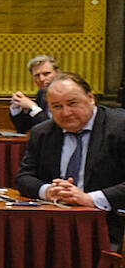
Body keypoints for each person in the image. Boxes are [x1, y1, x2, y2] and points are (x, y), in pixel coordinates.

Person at [16, 72, 125, 244]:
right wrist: (48, 191)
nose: (66, 113)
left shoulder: (120, 127)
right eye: (57, 107)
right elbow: (24, 178)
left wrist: (90, 199)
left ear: (90, 98)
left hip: (109, 228)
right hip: (52, 227)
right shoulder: (43, 132)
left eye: (72, 103)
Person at [9, 54, 57, 130]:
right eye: (37, 75)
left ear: (57, 73)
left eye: (46, 74)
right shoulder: (41, 94)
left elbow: (53, 129)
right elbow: (23, 128)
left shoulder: (66, 93)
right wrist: (17, 108)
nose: (41, 79)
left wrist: (33, 106)